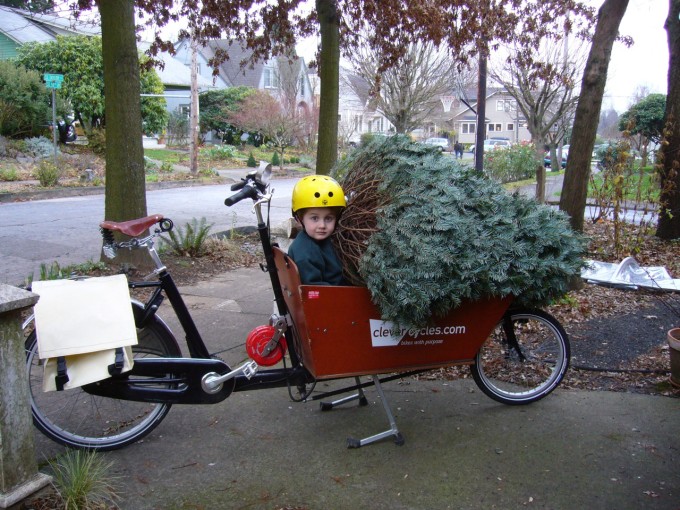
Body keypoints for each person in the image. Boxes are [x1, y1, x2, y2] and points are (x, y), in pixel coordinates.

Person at [287, 175, 346, 285]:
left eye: (328, 218)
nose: (322, 225)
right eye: (314, 218)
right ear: (299, 219)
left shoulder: (321, 241)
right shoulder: (306, 252)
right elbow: (315, 290)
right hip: (331, 297)